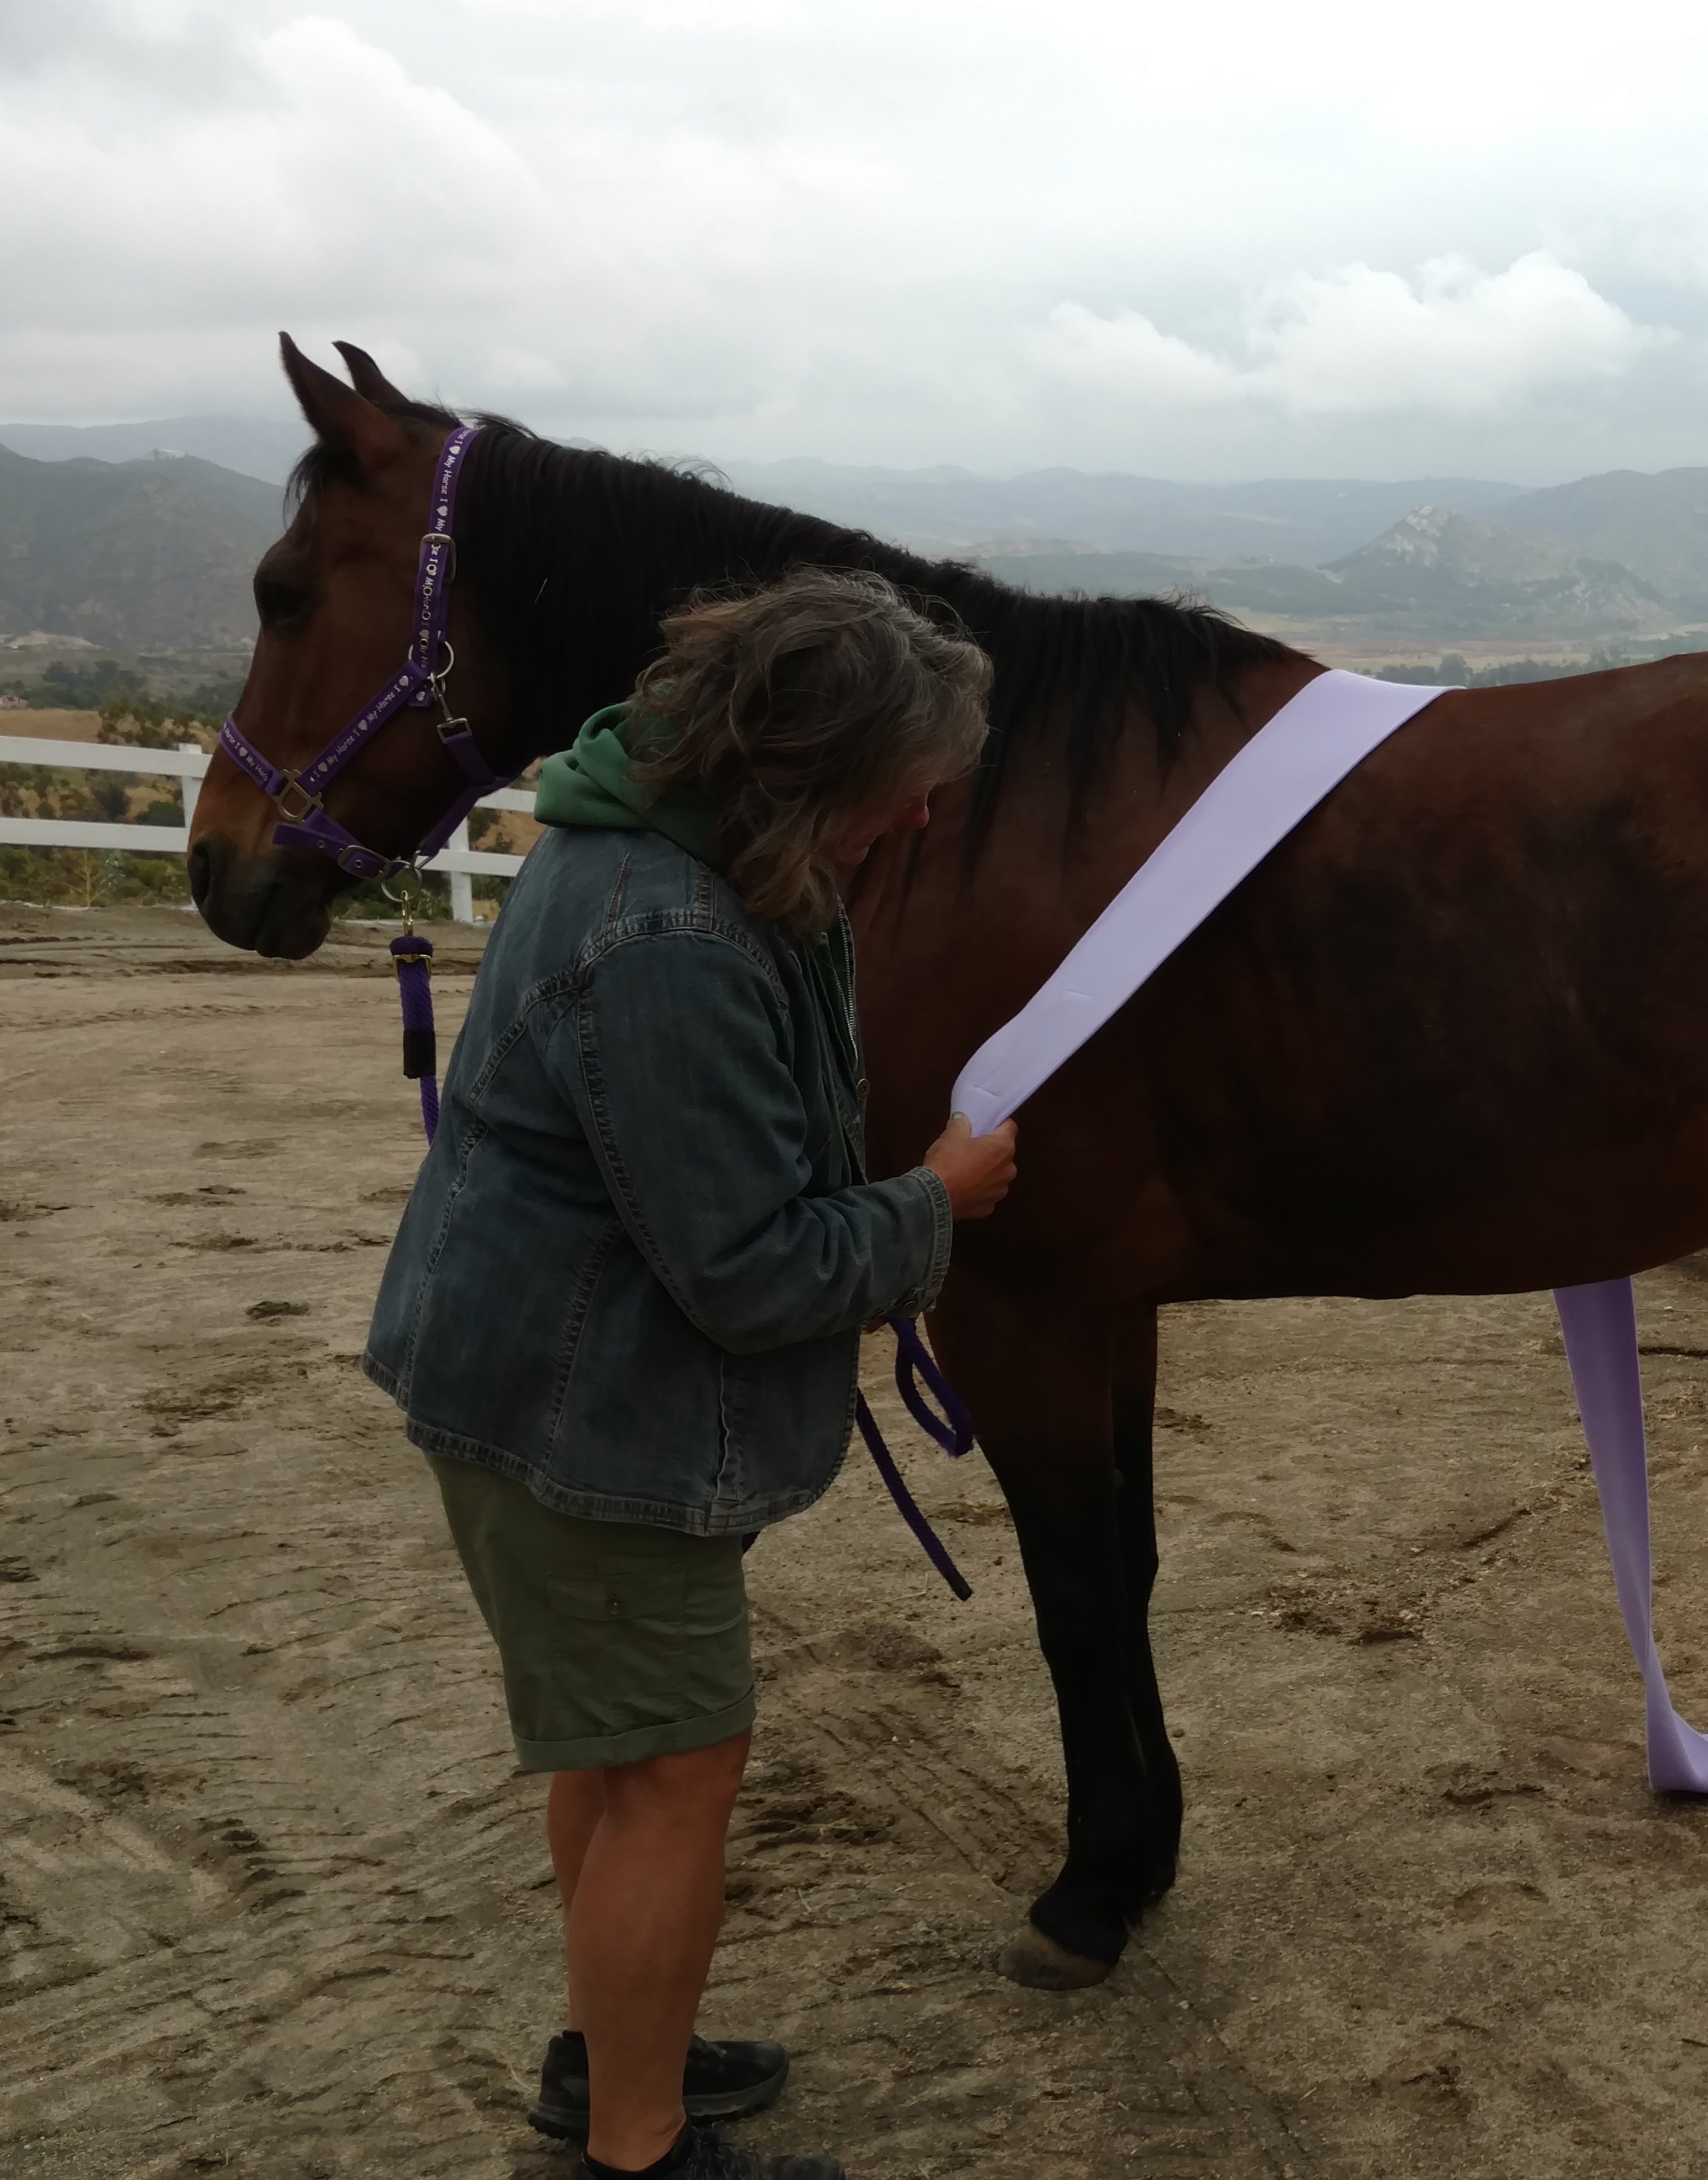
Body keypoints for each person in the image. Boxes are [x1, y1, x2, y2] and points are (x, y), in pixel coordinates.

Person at [366, 568, 1018, 2180]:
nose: (917, 822)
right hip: (585, 1423)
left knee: (622, 1752)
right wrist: (936, 1201)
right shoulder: (668, 933)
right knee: (675, 1773)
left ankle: (613, 2058)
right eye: (902, 790)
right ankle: (638, 2150)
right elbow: (751, 1270)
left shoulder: (665, 850)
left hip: (545, 1388)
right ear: (815, 770)